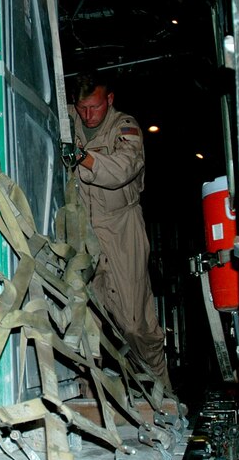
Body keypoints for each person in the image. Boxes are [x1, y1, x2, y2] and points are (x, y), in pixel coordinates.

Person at [69, 74, 170, 387]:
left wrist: (82, 157)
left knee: (135, 323)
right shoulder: (64, 119)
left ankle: (160, 387)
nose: (88, 115)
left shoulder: (124, 127)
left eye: (95, 107)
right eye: (82, 107)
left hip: (120, 228)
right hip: (82, 230)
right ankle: (92, 393)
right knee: (84, 320)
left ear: (109, 100)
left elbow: (122, 169)